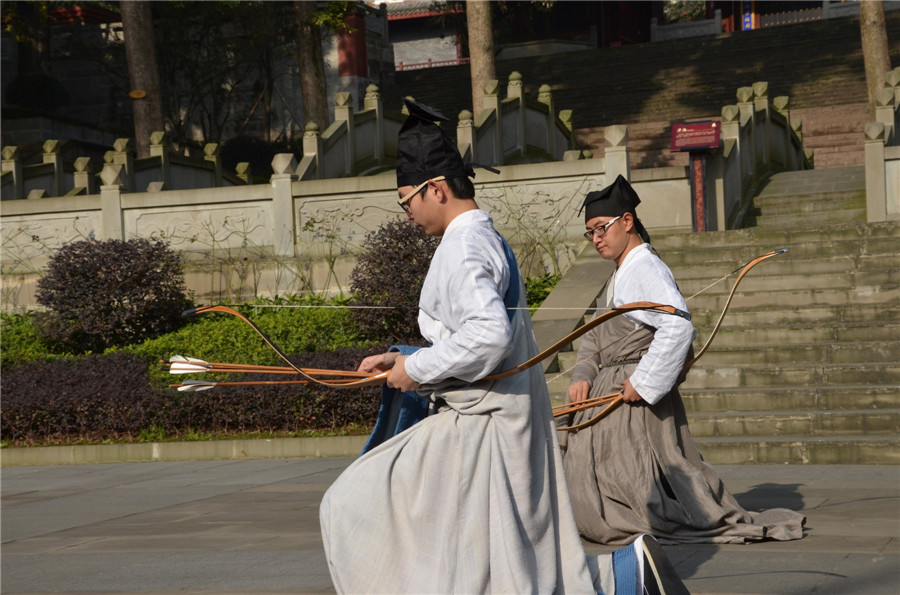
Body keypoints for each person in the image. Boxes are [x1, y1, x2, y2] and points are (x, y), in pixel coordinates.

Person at [319, 100, 690, 594]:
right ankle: (628, 578)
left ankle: (625, 578)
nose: (405, 212)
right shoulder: (475, 237)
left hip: (484, 424)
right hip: (494, 416)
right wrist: (405, 357)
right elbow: (472, 333)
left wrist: (418, 367)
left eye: (406, 199)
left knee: (353, 500)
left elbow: (489, 336)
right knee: (495, 556)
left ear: (436, 189)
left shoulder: (465, 244)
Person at [559, 175, 806, 545]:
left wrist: (642, 383)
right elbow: (595, 335)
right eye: (589, 232)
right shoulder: (623, 271)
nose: (596, 238)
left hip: (634, 395)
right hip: (612, 388)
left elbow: (677, 328)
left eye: (601, 228)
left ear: (627, 222)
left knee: (632, 483)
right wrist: (582, 373)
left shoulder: (646, 268)